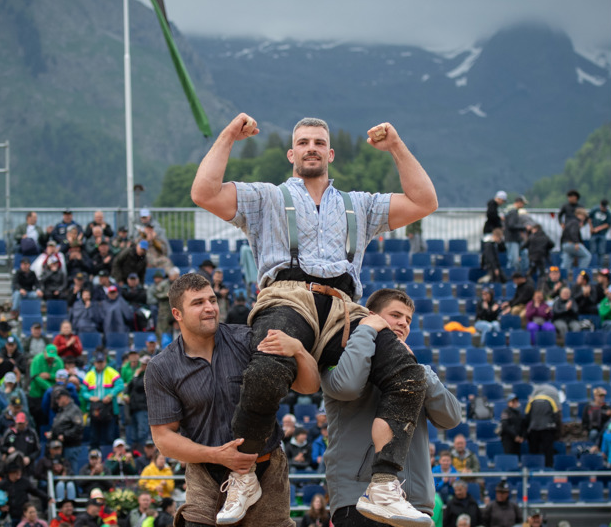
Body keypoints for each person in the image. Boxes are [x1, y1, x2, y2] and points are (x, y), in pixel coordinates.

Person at [191, 114, 439, 526]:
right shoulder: (266, 197)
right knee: (268, 367)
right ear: (292, 153)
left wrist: (397, 146)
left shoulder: (359, 204)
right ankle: (243, 474)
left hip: (344, 305)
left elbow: (424, 202)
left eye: (318, 142)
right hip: (287, 296)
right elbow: (203, 192)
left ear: (330, 153)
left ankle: (384, 484)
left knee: (409, 375)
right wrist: (229, 136)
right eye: (303, 142)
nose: (311, 148)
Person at [145, 273, 320, 527]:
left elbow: (308, 386)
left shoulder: (247, 339)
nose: (209, 308)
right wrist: (217, 455)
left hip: (266, 471)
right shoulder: (162, 367)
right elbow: (163, 439)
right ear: (177, 314)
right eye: (198, 303)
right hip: (205, 475)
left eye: (212, 300)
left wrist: (299, 350)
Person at [321, 287, 462, 527]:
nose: (403, 324)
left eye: (408, 320)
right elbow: (347, 386)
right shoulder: (340, 359)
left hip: (413, 503)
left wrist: (415, 370)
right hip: (358, 498)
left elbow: (451, 418)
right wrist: (365, 331)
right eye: (395, 315)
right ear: (372, 315)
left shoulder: (418, 371)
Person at [560, 207, 591, 275]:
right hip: (571, 244)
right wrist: (576, 242)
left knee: (566, 264)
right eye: (583, 215)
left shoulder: (571, 221)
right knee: (587, 256)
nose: (584, 218)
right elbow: (573, 233)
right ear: (578, 214)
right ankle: (580, 274)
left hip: (565, 245)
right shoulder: (575, 222)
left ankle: (562, 277)